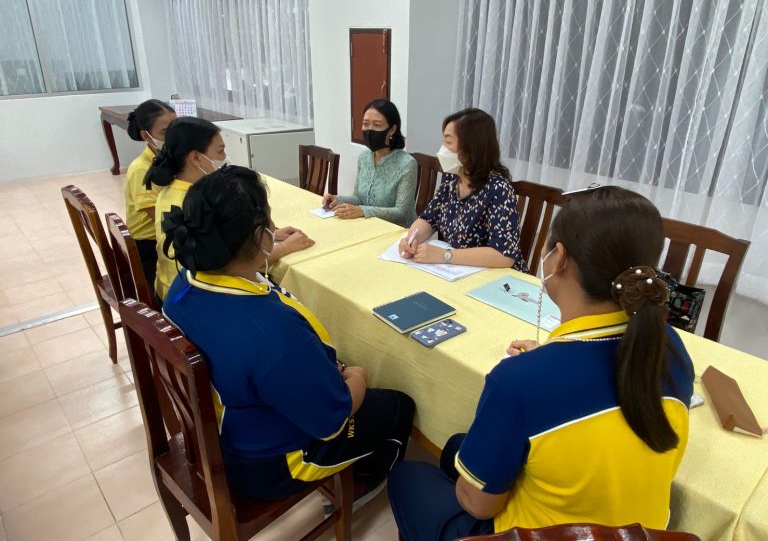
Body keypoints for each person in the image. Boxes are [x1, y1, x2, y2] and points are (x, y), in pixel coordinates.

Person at [388, 186, 695, 540]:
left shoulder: (517, 381)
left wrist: (539, 370)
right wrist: (548, 361)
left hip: (538, 532)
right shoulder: (669, 347)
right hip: (638, 529)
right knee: (458, 448)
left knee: (411, 474)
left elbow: (477, 505)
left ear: (559, 258)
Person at [161, 165, 415, 503]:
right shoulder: (271, 334)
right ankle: (362, 483)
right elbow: (332, 421)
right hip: (271, 464)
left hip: (231, 426)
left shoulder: (183, 284)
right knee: (398, 405)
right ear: (259, 236)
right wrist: (358, 377)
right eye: (270, 220)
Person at [145, 117, 314, 300]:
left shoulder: (174, 190)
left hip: (175, 289)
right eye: (220, 151)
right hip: (199, 295)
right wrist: (286, 247)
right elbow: (230, 263)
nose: (225, 158)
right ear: (195, 158)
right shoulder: (194, 203)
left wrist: (269, 233)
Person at [398, 108, 526, 270]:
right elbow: (429, 219)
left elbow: (504, 256)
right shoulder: (452, 178)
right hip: (458, 272)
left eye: (448, 142)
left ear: (472, 147)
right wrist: (411, 239)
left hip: (494, 279)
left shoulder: (499, 189)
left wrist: (445, 255)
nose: (442, 149)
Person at [322, 99, 417, 227]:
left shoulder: (407, 164)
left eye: (377, 125)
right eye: (365, 124)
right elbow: (358, 198)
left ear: (392, 129)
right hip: (368, 225)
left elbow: (402, 212)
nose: (369, 130)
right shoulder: (364, 158)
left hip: (397, 232)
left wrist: (363, 211)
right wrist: (338, 199)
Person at [124, 99, 176, 289]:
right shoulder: (141, 169)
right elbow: (162, 220)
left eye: (176, 128)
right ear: (146, 136)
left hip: (164, 235)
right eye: (165, 132)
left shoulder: (168, 160)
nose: (173, 136)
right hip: (149, 246)